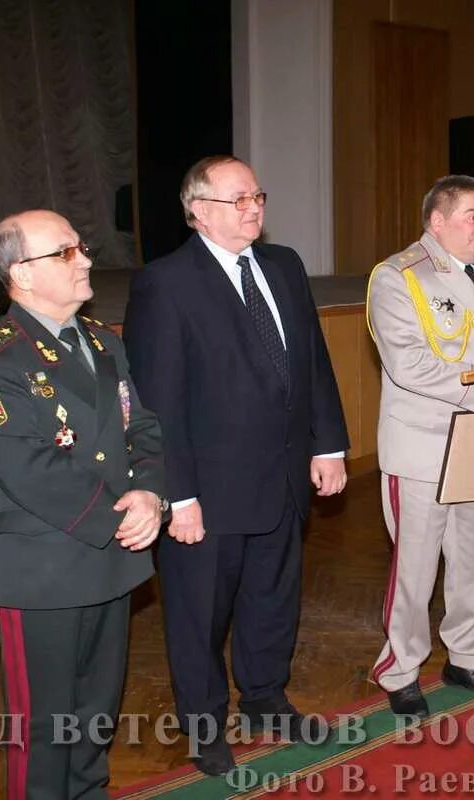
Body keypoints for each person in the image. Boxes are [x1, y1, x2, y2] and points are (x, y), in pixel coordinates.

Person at [123, 156, 349, 775]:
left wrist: (328, 444)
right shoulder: (165, 283)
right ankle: (203, 725)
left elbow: (312, 363)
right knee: (199, 614)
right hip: (208, 493)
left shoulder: (284, 265)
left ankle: (265, 699)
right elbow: (157, 401)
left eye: (258, 196)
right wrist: (179, 494)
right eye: (238, 198)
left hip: (282, 476)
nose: (254, 208)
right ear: (198, 211)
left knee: (273, 598)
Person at [0, 210, 167, 799]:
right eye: (67, 252)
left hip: (112, 562)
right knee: (45, 731)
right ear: (21, 273)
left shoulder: (102, 342)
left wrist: (151, 492)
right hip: (46, 572)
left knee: (95, 717)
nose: (87, 260)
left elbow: (142, 428)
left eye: (82, 248)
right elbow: (29, 469)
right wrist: (123, 513)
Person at [365, 174, 474, 718]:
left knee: (471, 559)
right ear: (436, 222)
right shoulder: (398, 276)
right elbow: (410, 363)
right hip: (421, 445)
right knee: (414, 568)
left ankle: (470, 657)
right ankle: (399, 669)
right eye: (472, 216)